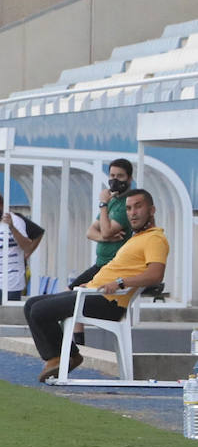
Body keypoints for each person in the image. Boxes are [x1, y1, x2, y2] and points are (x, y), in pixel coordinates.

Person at [22, 188, 167, 382]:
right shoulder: (136, 238)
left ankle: (64, 357)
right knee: (31, 305)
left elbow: (155, 275)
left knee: (39, 310)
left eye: (138, 207)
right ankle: (60, 357)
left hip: (108, 302)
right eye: (129, 208)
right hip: (92, 293)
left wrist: (120, 282)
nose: (132, 213)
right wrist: (89, 283)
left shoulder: (155, 238)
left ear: (152, 210)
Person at [75, 158, 135, 287]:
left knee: (76, 293)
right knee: (71, 289)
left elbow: (107, 231)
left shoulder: (126, 204)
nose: (115, 180)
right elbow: (90, 232)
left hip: (112, 266)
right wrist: (106, 239)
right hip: (100, 263)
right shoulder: (113, 201)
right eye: (112, 175)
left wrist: (103, 204)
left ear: (129, 179)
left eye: (120, 176)